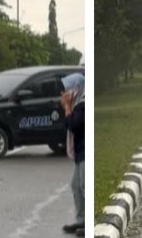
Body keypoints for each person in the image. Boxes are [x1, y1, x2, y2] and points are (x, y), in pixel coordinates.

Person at [60, 73, 85, 235]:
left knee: (84, 185)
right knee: (75, 185)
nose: (66, 93)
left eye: (68, 89)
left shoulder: (83, 104)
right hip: (79, 151)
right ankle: (81, 219)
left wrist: (68, 107)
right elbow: (67, 124)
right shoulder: (77, 104)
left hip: (85, 150)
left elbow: (74, 125)